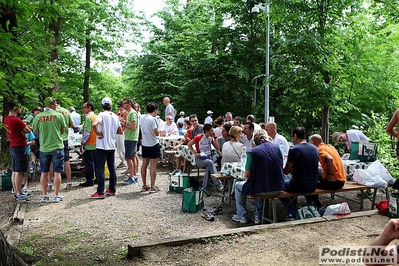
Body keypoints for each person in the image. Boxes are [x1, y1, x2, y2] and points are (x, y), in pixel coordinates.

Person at [232, 129, 285, 224]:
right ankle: (257, 216)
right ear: (267, 137)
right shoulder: (279, 148)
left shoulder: (252, 152)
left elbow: (247, 175)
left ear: (255, 142)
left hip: (261, 188)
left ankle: (241, 215)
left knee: (239, 185)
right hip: (278, 186)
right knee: (260, 183)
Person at [280, 127, 319, 221]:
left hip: (299, 185)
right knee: (291, 181)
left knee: (278, 186)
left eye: (291, 137)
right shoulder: (315, 148)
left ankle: (292, 212)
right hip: (313, 184)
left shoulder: (294, 149)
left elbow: (286, 171)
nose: (291, 140)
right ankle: (313, 206)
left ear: (295, 136)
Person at [32, 97, 66, 203]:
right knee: (57, 172)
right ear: (52, 105)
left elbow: (36, 132)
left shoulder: (38, 117)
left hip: (44, 147)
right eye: (55, 104)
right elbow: (62, 130)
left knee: (44, 172)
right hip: (57, 146)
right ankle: (56, 195)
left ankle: (44, 195)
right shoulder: (59, 116)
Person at [90, 97, 122, 199]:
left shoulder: (101, 114)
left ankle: (100, 191)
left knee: (100, 168)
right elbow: (120, 131)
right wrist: (111, 132)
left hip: (101, 145)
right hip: (111, 145)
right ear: (111, 106)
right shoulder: (115, 116)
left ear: (102, 105)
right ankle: (112, 189)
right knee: (112, 167)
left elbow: (94, 124)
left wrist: (97, 133)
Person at [308, 134, 346, 215]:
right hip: (341, 179)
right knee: (315, 178)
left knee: (310, 184)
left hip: (335, 182)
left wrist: (330, 175)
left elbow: (330, 159)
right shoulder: (329, 146)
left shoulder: (320, 149)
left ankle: (318, 207)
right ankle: (312, 203)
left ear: (313, 142)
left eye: (310, 142)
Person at [4, 101, 31, 200]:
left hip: (13, 145)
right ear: (15, 108)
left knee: (15, 170)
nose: (21, 109)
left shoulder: (6, 119)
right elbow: (28, 130)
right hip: (20, 146)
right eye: (19, 107)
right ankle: (19, 193)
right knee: (19, 171)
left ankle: (16, 191)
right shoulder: (16, 120)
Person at [188, 123, 223, 192]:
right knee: (210, 163)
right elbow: (189, 144)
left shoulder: (210, 138)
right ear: (207, 131)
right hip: (200, 159)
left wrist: (215, 138)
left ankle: (204, 188)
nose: (213, 132)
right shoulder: (199, 137)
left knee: (209, 168)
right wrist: (195, 153)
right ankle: (218, 183)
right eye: (211, 131)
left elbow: (216, 148)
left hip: (208, 157)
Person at [140, 102, 162, 193]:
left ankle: (144, 185)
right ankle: (153, 186)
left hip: (145, 144)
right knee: (153, 166)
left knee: (144, 165)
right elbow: (156, 133)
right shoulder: (153, 119)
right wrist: (158, 125)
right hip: (153, 144)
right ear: (155, 110)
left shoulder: (141, 117)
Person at [53, 99, 74, 190]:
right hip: (64, 138)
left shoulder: (51, 112)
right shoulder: (66, 111)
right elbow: (72, 124)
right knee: (66, 160)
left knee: (52, 161)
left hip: (54, 139)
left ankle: (51, 183)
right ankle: (69, 182)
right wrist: (65, 128)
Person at [122, 98, 140, 186]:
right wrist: (124, 121)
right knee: (132, 157)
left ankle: (132, 177)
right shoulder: (131, 113)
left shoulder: (132, 113)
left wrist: (124, 124)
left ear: (129, 103)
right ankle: (134, 175)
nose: (123, 105)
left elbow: (133, 127)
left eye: (124, 103)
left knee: (128, 158)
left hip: (131, 138)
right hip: (131, 138)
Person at [79, 101, 97, 187]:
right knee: (97, 163)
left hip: (89, 144)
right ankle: (97, 179)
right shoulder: (96, 117)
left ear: (89, 107)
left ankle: (90, 180)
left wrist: (82, 143)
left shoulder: (88, 118)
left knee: (89, 164)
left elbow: (86, 132)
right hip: (97, 144)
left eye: (84, 107)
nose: (83, 109)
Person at [116, 101, 127, 169]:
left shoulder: (126, 112)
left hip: (123, 131)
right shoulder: (118, 114)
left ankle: (125, 161)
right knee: (119, 147)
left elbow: (126, 122)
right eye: (118, 106)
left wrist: (121, 120)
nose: (119, 108)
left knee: (122, 146)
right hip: (118, 131)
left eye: (120, 106)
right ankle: (122, 160)